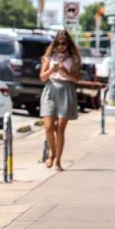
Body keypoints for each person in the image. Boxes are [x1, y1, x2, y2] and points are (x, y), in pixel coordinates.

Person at [38, 30, 81, 171]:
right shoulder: (49, 57)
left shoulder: (73, 59)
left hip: (66, 90)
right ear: (55, 44)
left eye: (64, 44)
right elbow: (42, 77)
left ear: (68, 45)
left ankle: (58, 161)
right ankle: (52, 153)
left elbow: (76, 79)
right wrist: (51, 70)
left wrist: (66, 73)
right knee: (49, 127)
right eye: (58, 44)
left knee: (60, 129)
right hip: (51, 89)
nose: (61, 46)